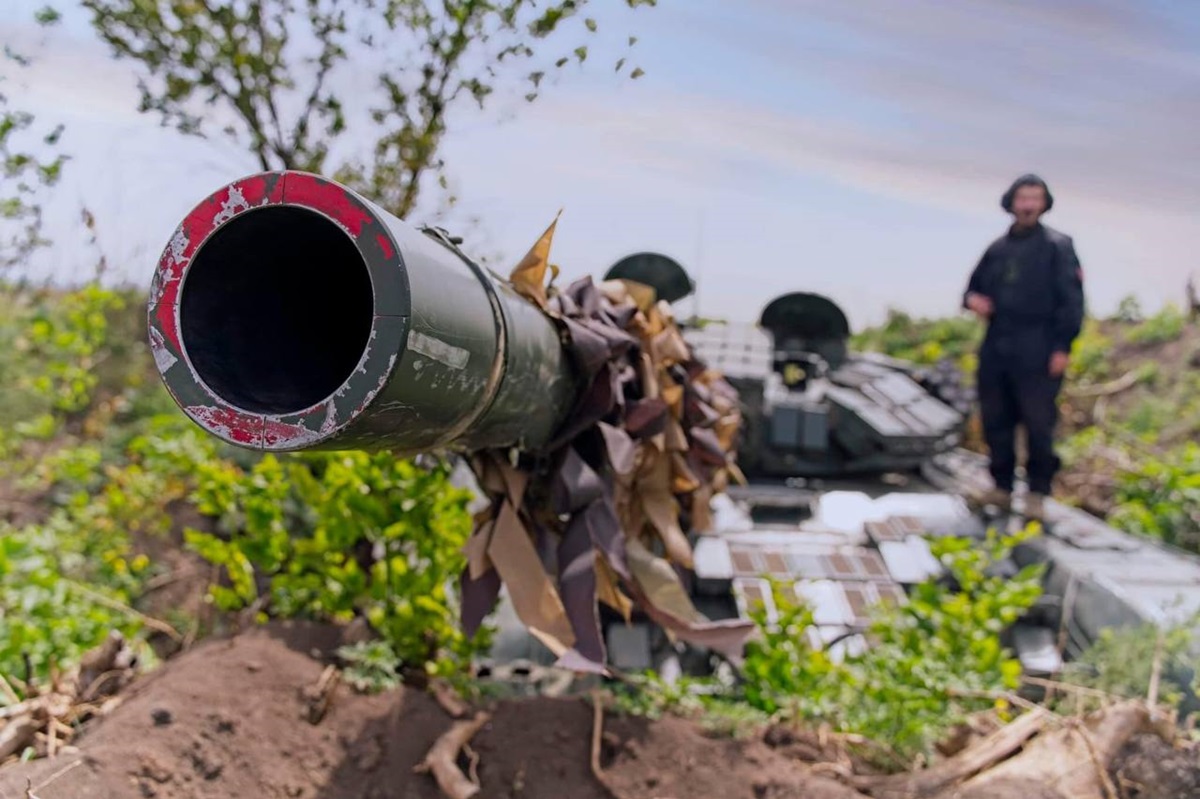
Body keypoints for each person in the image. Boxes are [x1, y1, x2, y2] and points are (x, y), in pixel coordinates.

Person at [962, 174, 1085, 521]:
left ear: (1044, 204)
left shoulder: (1058, 246)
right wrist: (974, 301)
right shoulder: (998, 249)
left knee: (1038, 422)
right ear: (1012, 203)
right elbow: (971, 289)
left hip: (1040, 343)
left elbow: (1072, 302)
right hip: (998, 342)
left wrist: (1062, 346)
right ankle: (1001, 486)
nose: (1028, 205)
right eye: (1023, 198)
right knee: (996, 418)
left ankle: (1037, 492)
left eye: (1035, 198)